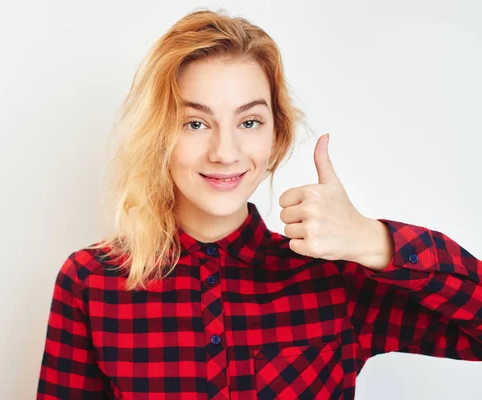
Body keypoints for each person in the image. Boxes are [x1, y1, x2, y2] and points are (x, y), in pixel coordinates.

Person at [35, 8, 482, 400]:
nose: (225, 152)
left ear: (277, 137)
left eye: (249, 121)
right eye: (195, 123)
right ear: (159, 137)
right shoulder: (91, 283)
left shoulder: (335, 277)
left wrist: (373, 240)